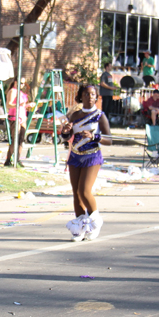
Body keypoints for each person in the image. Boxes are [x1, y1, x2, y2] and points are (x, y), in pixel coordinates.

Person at [61, 84, 112, 241]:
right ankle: (81, 227)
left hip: (92, 156)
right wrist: (65, 131)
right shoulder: (75, 115)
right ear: (81, 96)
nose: (90, 97)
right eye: (86, 94)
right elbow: (66, 138)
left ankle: (95, 220)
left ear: (96, 97)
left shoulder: (100, 115)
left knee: (84, 191)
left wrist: (94, 137)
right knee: (76, 193)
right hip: (75, 157)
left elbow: (109, 140)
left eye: (92, 94)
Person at [4, 79, 30, 167]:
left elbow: (22, 105)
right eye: (20, 83)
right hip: (15, 117)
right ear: (15, 82)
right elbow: (8, 104)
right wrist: (19, 105)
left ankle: (17, 159)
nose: (22, 85)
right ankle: (8, 159)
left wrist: (28, 105)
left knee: (21, 140)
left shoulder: (21, 92)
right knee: (15, 139)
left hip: (22, 117)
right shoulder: (13, 91)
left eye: (23, 83)